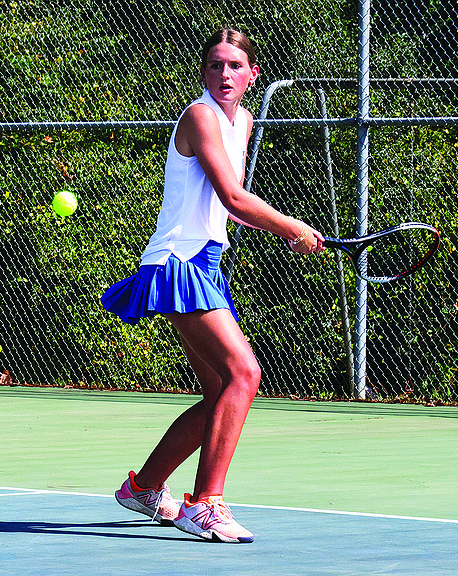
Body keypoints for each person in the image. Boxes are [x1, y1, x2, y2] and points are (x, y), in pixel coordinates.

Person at [101, 29, 323, 543]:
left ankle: (144, 487)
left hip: (208, 259)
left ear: (252, 75)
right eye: (215, 65)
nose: (224, 74)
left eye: (234, 66)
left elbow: (232, 205)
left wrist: (282, 231)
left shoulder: (241, 121)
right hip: (178, 262)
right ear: (204, 73)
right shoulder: (200, 117)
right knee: (244, 374)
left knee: (220, 390)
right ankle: (204, 504)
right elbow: (230, 194)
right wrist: (288, 224)